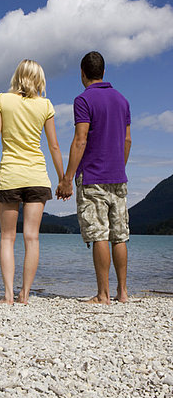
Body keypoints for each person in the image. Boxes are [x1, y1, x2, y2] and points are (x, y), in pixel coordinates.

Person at [0, 59, 64, 305]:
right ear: (39, 78)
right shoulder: (45, 105)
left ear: (17, 76)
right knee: (32, 237)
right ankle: (25, 295)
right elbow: (53, 145)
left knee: (7, 238)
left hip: (10, 176)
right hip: (37, 177)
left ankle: (8, 295)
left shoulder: (2, 100)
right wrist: (63, 178)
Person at [57, 51, 131, 304]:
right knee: (119, 235)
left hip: (93, 177)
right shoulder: (122, 100)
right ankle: (122, 293)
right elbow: (127, 140)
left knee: (100, 234)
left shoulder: (83, 100)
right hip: (118, 177)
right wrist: (119, 167)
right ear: (103, 71)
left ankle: (103, 295)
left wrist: (67, 178)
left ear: (82, 72)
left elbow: (80, 139)